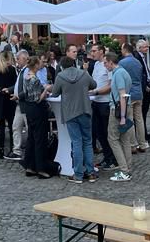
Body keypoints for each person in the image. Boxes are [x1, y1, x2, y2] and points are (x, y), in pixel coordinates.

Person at [52, 56, 96, 184]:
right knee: (87, 142)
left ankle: (78, 174)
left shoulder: (60, 77)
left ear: (62, 66)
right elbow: (94, 85)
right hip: (85, 110)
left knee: (76, 142)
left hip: (70, 113)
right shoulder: (83, 74)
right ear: (73, 64)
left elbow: (55, 93)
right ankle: (91, 172)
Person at [19, 56, 52, 178]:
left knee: (31, 137)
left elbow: (26, 93)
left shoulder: (26, 77)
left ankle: (30, 166)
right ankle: (41, 168)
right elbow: (38, 99)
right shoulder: (35, 79)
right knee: (40, 138)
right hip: (37, 110)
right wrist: (46, 89)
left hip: (29, 109)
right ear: (36, 65)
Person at [87, 43, 117, 168]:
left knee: (107, 132)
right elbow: (94, 83)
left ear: (101, 51)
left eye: (94, 51)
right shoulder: (96, 65)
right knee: (99, 133)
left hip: (105, 102)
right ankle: (107, 156)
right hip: (95, 102)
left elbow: (110, 85)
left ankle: (113, 159)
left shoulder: (107, 64)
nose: (92, 53)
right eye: (91, 51)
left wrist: (96, 92)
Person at [104, 52, 133, 182]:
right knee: (124, 139)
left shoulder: (118, 74)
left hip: (118, 109)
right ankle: (127, 169)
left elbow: (122, 95)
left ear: (111, 62)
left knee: (113, 139)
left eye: (106, 63)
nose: (105, 66)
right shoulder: (123, 72)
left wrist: (122, 117)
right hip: (124, 107)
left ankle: (124, 170)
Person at [119, 43, 148, 152]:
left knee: (130, 119)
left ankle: (133, 145)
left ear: (125, 50)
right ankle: (142, 143)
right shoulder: (138, 62)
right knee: (139, 119)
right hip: (138, 92)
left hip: (128, 93)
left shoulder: (122, 63)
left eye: (121, 49)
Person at [0, 51, 17, 158]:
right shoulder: (12, 70)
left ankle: (1, 149)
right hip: (9, 98)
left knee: (1, 126)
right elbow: (15, 83)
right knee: (11, 125)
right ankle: (12, 147)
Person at [134, 39, 150, 142]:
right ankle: (142, 135)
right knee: (141, 113)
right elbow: (140, 74)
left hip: (147, 86)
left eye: (147, 46)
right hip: (143, 88)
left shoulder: (143, 57)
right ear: (139, 48)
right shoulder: (137, 57)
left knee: (144, 112)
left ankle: (144, 133)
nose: (147, 48)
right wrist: (145, 85)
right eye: (145, 47)